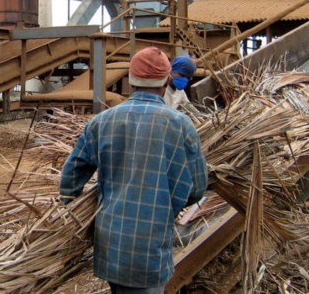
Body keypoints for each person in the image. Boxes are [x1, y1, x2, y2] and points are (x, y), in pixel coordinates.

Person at [60, 46, 208, 294]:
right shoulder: (180, 125)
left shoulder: (101, 122)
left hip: (110, 244)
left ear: (130, 80)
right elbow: (196, 188)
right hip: (150, 245)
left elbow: (71, 176)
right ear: (166, 80)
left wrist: (72, 207)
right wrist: (169, 205)